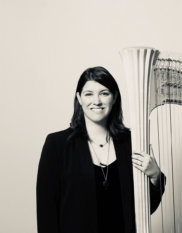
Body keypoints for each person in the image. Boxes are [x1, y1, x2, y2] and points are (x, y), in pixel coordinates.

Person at [36, 66, 165, 233]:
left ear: (115, 97)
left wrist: (155, 176)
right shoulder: (57, 144)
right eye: (88, 94)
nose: (96, 101)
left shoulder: (132, 142)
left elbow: (143, 210)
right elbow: (46, 212)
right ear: (79, 98)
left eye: (104, 93)